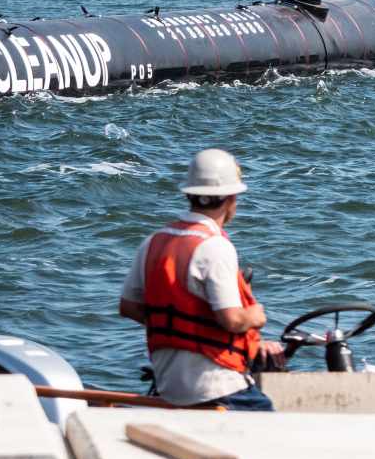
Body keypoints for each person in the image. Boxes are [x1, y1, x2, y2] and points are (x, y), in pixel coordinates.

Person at [118, 148, 277, 410]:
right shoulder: (216, 247)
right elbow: (233, 320)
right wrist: (256, 315)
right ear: (231, 199)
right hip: (215, 386)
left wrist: (178, 329)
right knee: (271, 423)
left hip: (167, 383)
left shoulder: (153, 241)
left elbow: (128, 306)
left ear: (189, 194)